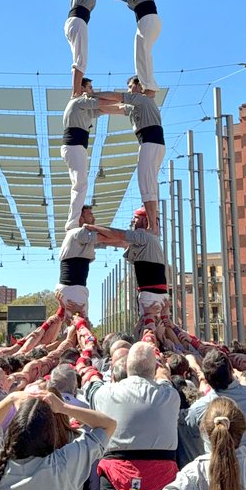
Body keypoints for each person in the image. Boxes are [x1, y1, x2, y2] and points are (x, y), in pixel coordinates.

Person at [86, 341, 180, 490]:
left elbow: (90, 383)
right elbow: (164, 377)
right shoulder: (169, 396)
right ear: (154, 367)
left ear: (125, 368)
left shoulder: (105, 394)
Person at [84, 211, 170, 333]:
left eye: (135, 218)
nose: (132, 222)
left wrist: (91, 228)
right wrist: (96, 240)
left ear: (145, 221)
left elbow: (119, 235)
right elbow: (120, 242)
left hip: (150, 295)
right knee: (163, 331)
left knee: (147, 332)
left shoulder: (143, 235)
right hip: (159, 294)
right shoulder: (149, 240)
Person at [97, 77, 164, 229]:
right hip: (151, 143)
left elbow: (116, 97)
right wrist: (94, 107)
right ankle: (152, 221)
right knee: (148, 183)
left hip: (151, 142)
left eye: (130, 86)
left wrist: (94, 94)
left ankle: (152, 224)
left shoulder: (141, 99)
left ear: (139, 86)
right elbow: (117, 108)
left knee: (146, 183)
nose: (128, 90)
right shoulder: (135, 106)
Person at [186, 348, 246, 456]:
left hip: (218, 467)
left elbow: (192, 432)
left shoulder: (198, 409)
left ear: (206, 378)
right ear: (231, 370)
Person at [61, 81, 116, 228]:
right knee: (80, 184)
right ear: (82, 88)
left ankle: (73, 220)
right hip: (74, 146)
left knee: (80, 184)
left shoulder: (84, 107)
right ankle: (73, 222)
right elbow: (101, 102)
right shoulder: (79, 101)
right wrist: (126, 99)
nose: (92, 90)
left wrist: (127, 108)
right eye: (90, 87)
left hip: (77, 147)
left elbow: (104, 109)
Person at [64, 0, 123, 98]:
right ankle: (76, 93)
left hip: (75, 21)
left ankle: (76, 91)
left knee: (80, 59)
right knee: (80, 60)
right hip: (79, 20)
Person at [114, 0, 161, 92]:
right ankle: (148, 84)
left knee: (142, 52)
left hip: (148, 19)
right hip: (147, 21)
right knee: (142, 52)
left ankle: (147, 86)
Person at [56, 207, 100, 319]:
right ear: (80, 218)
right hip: (73, 288)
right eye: (90, 214)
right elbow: (106, 237)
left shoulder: (81, 236)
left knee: (77, 325)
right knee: (80, 324)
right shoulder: (78, 232)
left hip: (75, 288)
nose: (94, 218)